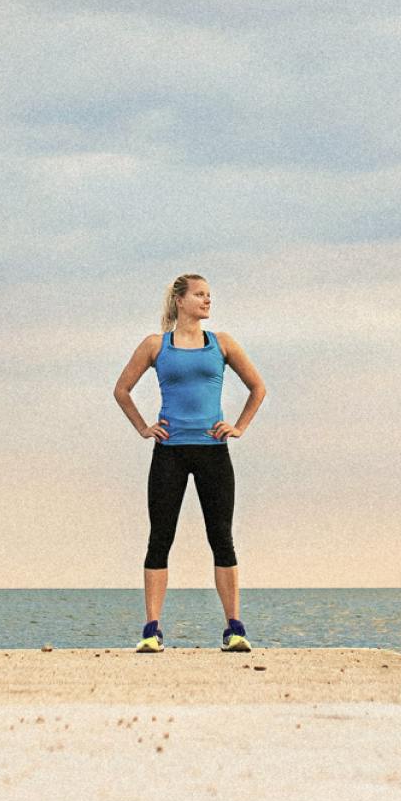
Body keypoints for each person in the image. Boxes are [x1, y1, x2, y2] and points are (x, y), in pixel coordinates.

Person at [113, 273, 267, 653]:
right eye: (200, 294)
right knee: (160, 538)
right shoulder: (156, 345)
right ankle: (151, 630)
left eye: (209, 295)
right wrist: (143, 427)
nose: (207, 300)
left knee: (222, 538)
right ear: (180, 300)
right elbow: (122, 390)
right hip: (170, 452)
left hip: (213, 450)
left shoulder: (222, 343)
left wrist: (239, 426)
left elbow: (257, 387)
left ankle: (234, 629)